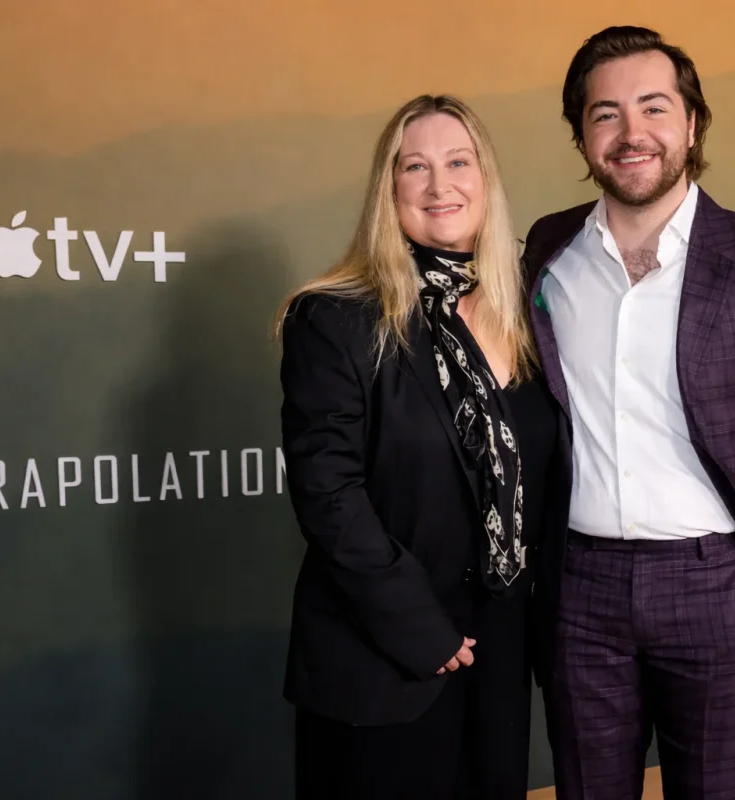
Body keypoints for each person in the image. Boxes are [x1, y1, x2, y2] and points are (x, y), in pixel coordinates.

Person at [522, 26, 735, 799]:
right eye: (605, 114)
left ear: (692, 123)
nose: (631, 133)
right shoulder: (546, 251)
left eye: (653, 107)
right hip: (579, 591)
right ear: (582, 136)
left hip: (718, 587)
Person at [274, 94, 567, 799]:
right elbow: (329, 497)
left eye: (459, 162)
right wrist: (421, 632)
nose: (441, 186)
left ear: (486, 180)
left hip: (501, 652)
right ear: (389, 189)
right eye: (416, 167)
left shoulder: (528, 313)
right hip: (384, 656)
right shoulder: (336, 318)